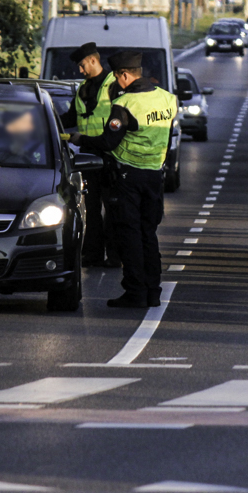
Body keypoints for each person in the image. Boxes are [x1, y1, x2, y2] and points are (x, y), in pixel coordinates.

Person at [70, 51, 177, 309]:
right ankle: (153, 291)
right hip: (155, 176)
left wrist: (80, 140)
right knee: (148, 235)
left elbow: (108, 141)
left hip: (128, 177)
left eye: (118, 78)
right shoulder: (167, 99)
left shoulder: (126, 104)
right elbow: (167, 133)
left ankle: (135, 292)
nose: (116, 83)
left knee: (129, 237)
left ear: (125, 75)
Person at [62, 43, 118, 267]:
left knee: (112, 208)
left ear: (93, 61)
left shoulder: (113, 85)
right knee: (92, 208)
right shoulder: (83, 89)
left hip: (111, 154)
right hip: (89, 156)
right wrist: (47, 120)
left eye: (82, 65)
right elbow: (72, 118)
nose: (80, 70)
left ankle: (115, 256)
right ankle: (93, 254)